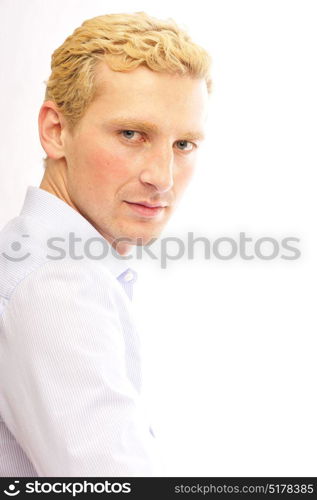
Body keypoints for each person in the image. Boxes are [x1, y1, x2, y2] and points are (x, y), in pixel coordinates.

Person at [0, 12, 211, 476]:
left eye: (184, 145)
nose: (162, 178)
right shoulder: (58, 285)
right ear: (56, 130)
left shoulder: (29, 256)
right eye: (131, 134)